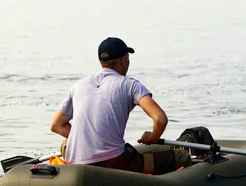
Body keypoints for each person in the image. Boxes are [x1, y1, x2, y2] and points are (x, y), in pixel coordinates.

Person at [50, 37, 191, 175]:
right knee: (181, 156)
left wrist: (87, 138)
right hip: (116, 163)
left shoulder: (78, 85)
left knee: (65, 144)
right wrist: (152, 138)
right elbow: (160, 119)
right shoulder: (130, 85)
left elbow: (56, 125)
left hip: (78, 163)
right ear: (124, 60)